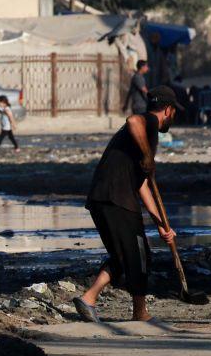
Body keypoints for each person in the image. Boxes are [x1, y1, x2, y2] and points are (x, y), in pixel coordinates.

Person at [74, 86, 183, 324]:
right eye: (175, 113)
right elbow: (133, 119)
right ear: (168, 109)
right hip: (116, 198)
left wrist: (161, 224)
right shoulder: (149, 123)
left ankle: (89, 298)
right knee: (138, 254)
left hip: (105, 197)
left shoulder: (145, 133)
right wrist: (146, 156)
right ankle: (139, 312)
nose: (173, 118)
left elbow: (142, 184)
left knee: (124, 256)